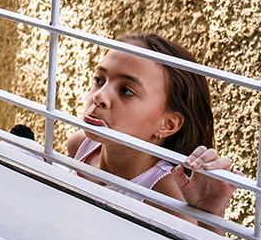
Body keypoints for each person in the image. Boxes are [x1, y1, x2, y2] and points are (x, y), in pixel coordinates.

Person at [65, 32, 237, 228]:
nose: (99, 97)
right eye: (99, 80)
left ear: (168, 124)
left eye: (126, 91)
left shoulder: (166, 196)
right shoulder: (81, 146)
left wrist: (212, 217)